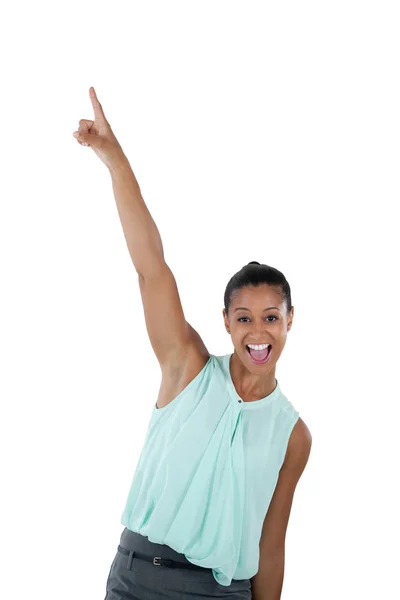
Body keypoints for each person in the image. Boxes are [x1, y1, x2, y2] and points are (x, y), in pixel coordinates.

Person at [73, 87, 312, 600]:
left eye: (272, 317)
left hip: (220, 592)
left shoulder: (293, 435)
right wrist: (115, 161)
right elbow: (150, 268)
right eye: (244, 317)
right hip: (136, 575)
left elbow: (272, 545)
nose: (258, 331)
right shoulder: (187, 368)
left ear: (291, 321)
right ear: (225, 321)